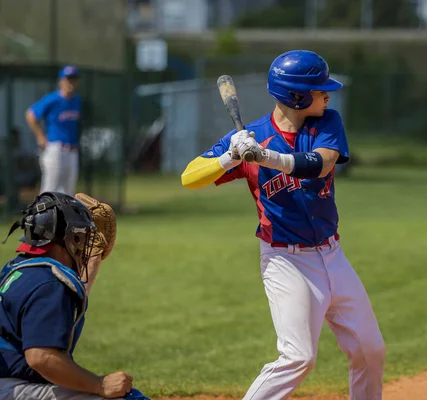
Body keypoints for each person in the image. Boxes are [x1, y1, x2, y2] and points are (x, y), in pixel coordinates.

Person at [181, 50, 386, 400]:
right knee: (298, 357)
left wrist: (267, 158)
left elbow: (320, 163)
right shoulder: (251, 136)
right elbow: (189, 177)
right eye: (320, 90)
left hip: (333, 255)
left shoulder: (326, 123)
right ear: (297, 96)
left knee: (371, 349)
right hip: (285, 261)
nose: (327, 95)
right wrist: (230, 156)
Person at [0, 191, 149, 400]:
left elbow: (59, 307)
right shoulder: (49, 284)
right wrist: (100, 384)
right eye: (82, 237)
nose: (84, 245)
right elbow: (41, 357)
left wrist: (94, 258)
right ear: (69, 238)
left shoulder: (17, 271)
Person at [26, 65, 82, 196]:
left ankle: (63, 217)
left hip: (72, 150)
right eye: (68, 79)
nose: (71, 83)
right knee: (49, 191)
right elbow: (30, 114)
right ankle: (41, 216)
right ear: (61, 81)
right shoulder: (53, 99)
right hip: (56, 148)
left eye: (74, 79)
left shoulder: (76, 100)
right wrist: (40, 136)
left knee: (68, 192)